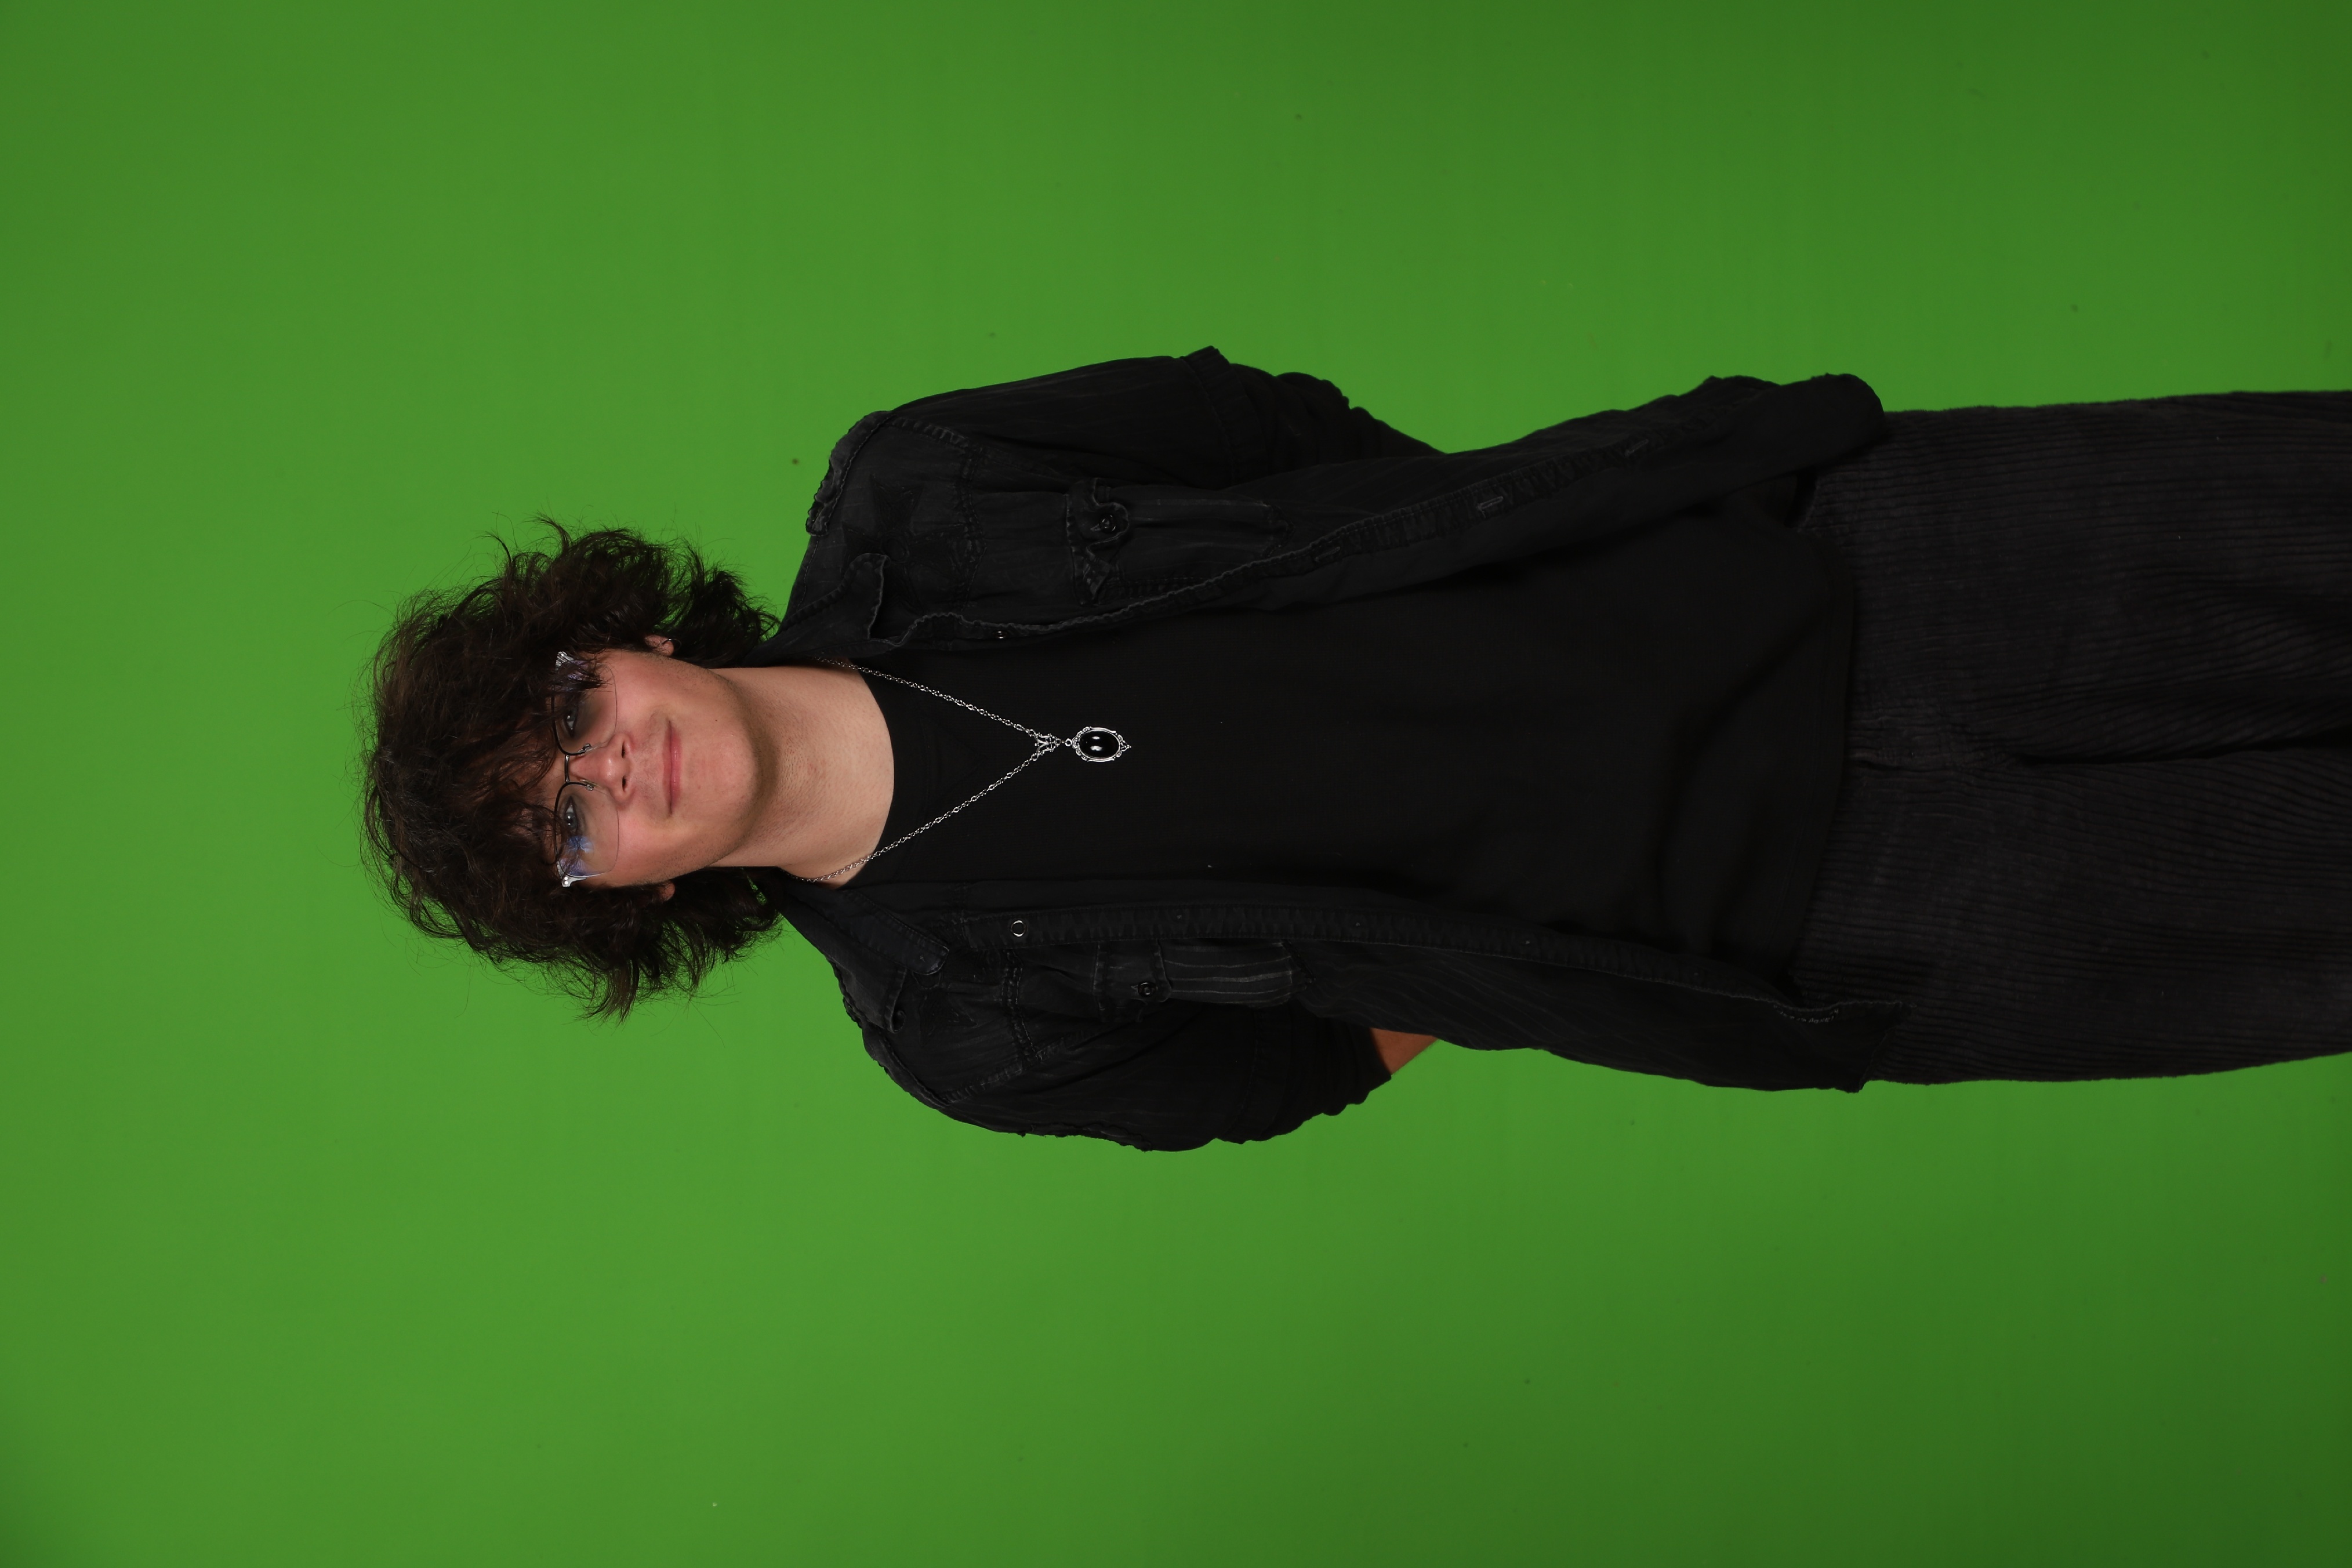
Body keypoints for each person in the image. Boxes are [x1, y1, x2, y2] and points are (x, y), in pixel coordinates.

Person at [361, 349, 2352, 1150]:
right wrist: (1514, 892)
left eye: (569, 717)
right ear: (624, 901)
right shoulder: (967, 1030)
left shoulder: (926, 488)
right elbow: (1306, 1067)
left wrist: (1497, 590)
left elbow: (1258, 423)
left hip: (1851, 565)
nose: (606, 775)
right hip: (1846, 916)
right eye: (562, 831)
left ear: (626, 642)